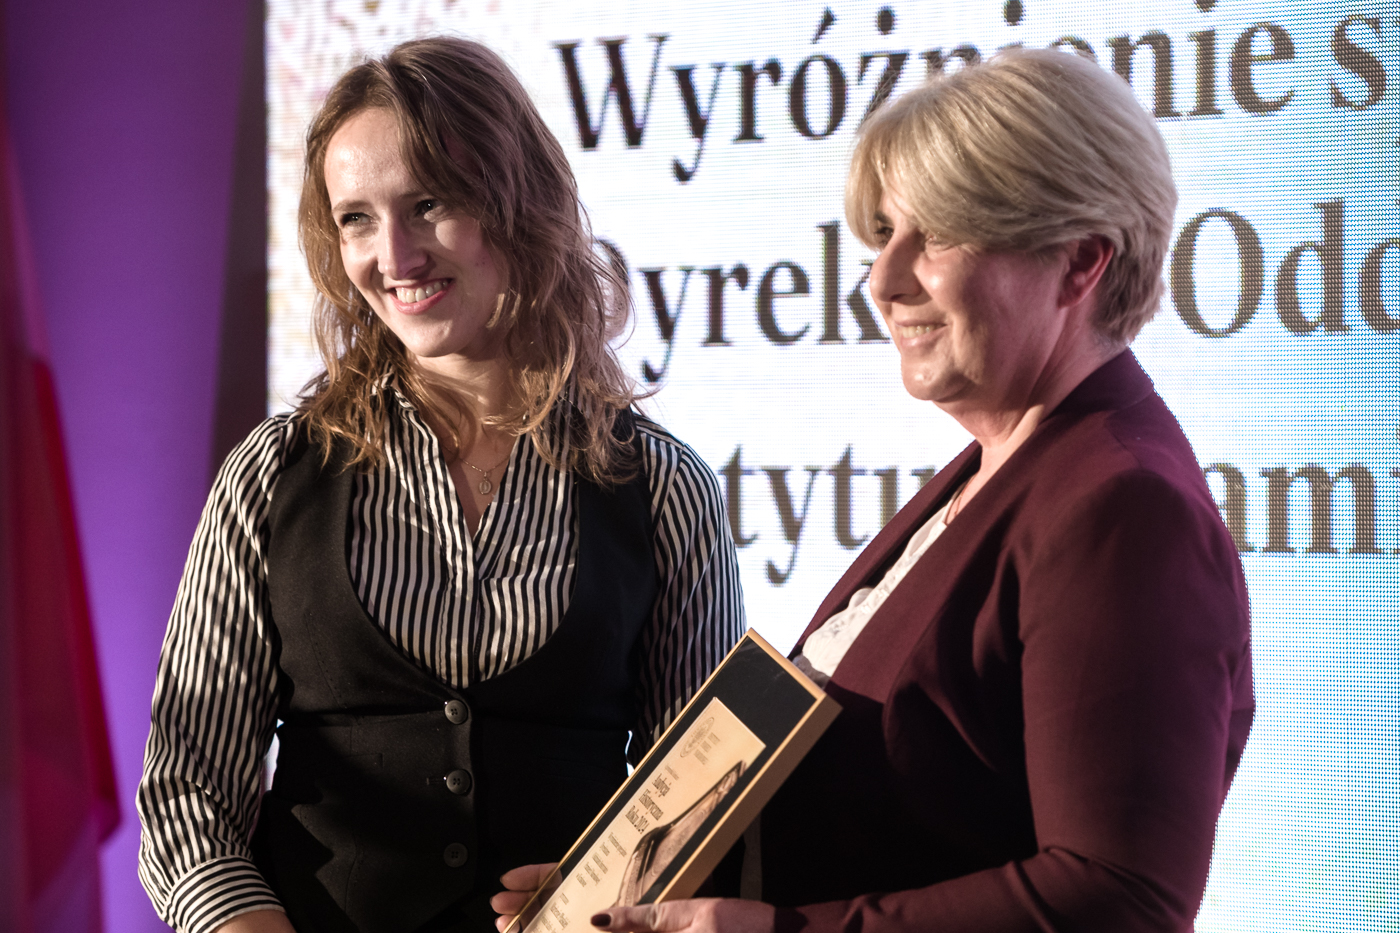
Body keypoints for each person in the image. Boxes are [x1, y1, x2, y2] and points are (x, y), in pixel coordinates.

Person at [494, 47, 1253, 933]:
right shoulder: (998, 468)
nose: (884, 282)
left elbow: (1121, 897)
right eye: (885, 235)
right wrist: (637, 888)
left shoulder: (1123, 509)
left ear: (1081, 262)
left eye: (940, 235)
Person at [137, 37, 745, 933]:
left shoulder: (663, 489)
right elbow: (186, 797)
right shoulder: (269, 477)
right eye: (356, 219)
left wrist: (630, 892)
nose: (395, 255)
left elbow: (710, 802)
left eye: (429, 204)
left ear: (521, 202)